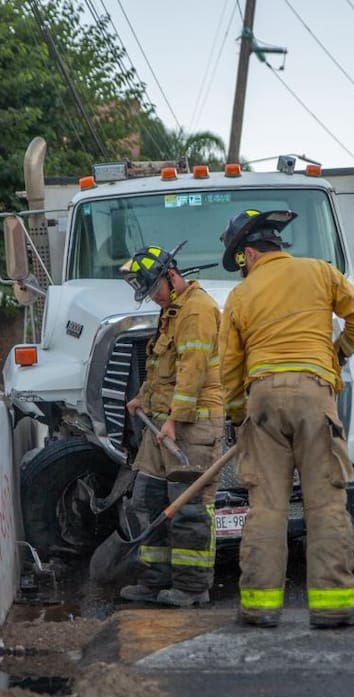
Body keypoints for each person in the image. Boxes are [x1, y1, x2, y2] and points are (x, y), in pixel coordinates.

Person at [216, 209, 354, 629]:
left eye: (241, 261)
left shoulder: (240, 296)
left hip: (262, 397)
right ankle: (332, 607)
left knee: (266, 506)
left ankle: (259, 607)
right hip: (313, 393)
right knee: (324, 502)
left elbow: (229, 369)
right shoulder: (320, 272)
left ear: (250, 254)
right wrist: (335, 354)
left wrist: (239, 417)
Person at [117, 242, 224, 607]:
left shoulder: (197, 310)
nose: (153, 299)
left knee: (188, 507)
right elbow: (162, 367)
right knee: (146, 501)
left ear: (171, 274)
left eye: (155, 289)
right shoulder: (173, 311)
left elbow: (192, 371)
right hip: (161, 425)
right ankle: (153, 581)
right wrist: (142, 399)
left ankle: (192, 588)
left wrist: (175, 421)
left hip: (190, 426)